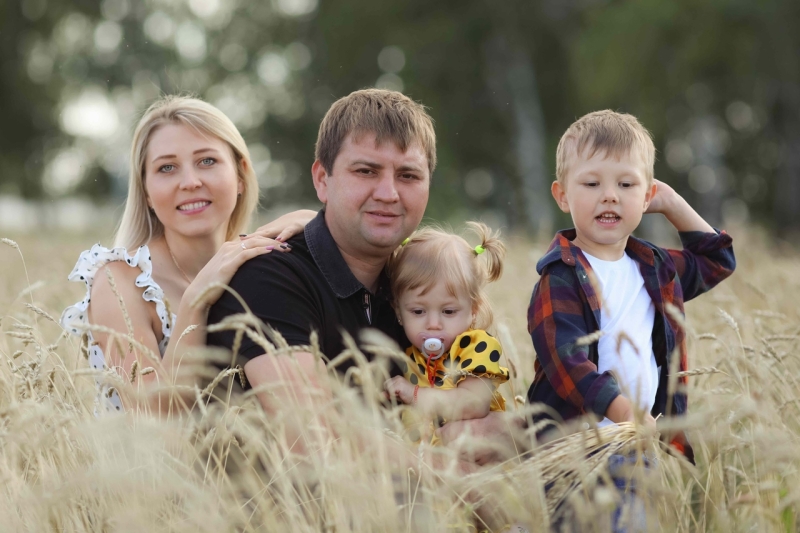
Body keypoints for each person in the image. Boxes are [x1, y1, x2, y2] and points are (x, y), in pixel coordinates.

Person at [526, 110, 736, 530]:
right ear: (562, 195)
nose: (609, 196)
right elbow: (565, 359)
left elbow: (718, 259)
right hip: (577, 446)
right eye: (591, 183)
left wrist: (672, 203)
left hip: (641, 443)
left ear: (646, 196)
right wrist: (623, 411)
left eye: (626, 185)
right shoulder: (561, 275)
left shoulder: (654, 268)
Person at [60, 95, 314, 412]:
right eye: (167, 168)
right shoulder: (120, 282)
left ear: (240, 176)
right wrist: (198, 298)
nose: (190, 182)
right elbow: (152, 421)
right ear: (147, 192)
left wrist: (318, 227)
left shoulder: (261, 268)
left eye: (207, 161)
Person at [206, 88, 435, 435]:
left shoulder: (426, 284)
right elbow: (316, 442)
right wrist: (458, 476)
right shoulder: (268, 278)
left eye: (408, 176)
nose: (389, 193)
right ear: (321, 180)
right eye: (366, 171)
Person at [383, 222, 509, 444]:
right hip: (424, 471)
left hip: (475, 468)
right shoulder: (408, 354)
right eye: (418, 311)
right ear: (398, 311)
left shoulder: (475, 347)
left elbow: (472, 405)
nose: (433, 324)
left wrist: (413, 394)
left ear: (473, 310)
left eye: (448, 311)